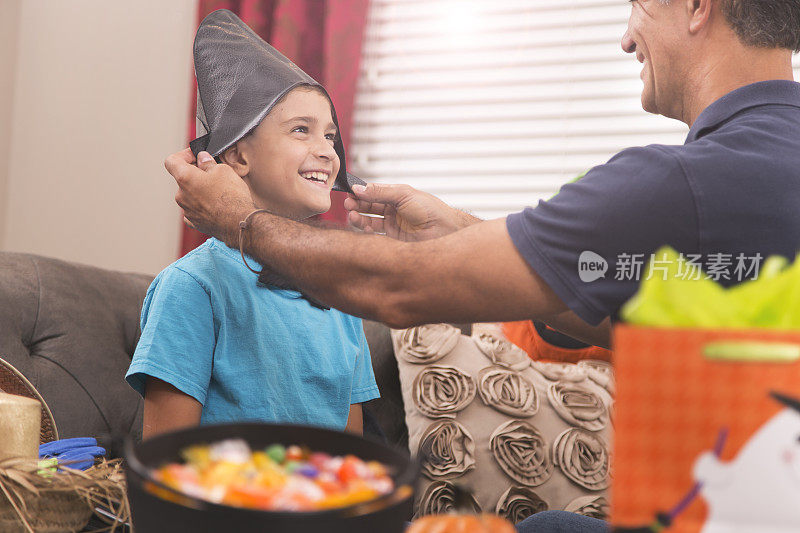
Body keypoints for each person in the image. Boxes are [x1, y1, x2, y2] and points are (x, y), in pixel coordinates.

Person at [165, 1, 799, 528]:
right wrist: (461, 232)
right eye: (299, 131)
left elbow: (395, 290)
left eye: (637, 6)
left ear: (695, 6)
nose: (626, 36)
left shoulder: (673, 185)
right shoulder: (193, 291)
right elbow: (689, 340)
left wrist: (240, 221)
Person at [126, 10, 378, 439]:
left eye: (330, 136)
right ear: (239, 156)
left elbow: (350, 457)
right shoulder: (192, 286)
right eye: (302, 130)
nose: (326, 151)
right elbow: (164, 460)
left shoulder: (339, 294)